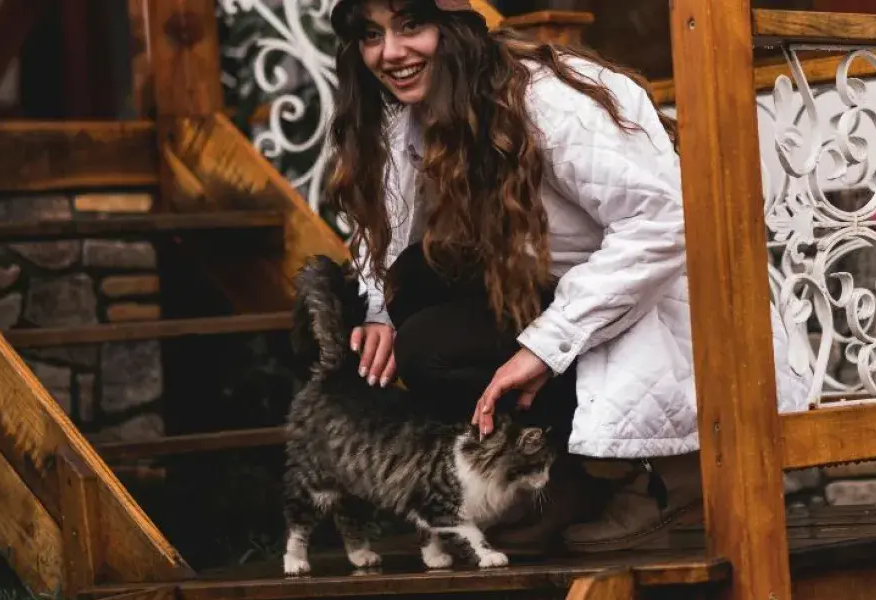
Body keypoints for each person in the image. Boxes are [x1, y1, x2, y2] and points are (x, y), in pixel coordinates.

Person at [324, 0, 812, 552]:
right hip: (560, 298)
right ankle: (566, 477)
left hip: (663, 315)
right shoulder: (409, 114)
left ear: (455, 27)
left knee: (431, 345)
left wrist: (543, 348)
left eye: (411, 25)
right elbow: (385, 226)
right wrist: (376, 312)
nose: (390, 53)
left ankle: (661, 473)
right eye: (371, 34)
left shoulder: (546, 97)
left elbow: (666, 221)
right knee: (414, 282)